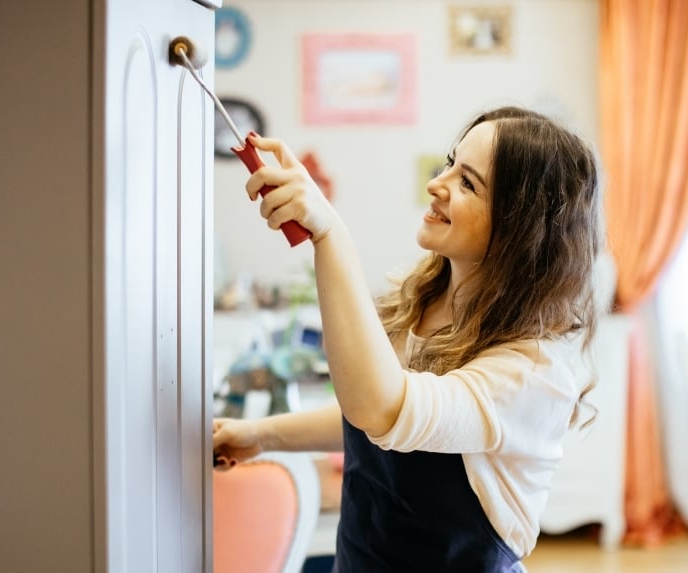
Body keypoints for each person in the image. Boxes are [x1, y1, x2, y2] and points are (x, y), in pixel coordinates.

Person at [212, 106, 602, 572]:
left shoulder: (534, 371)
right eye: (450, 164)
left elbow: (386, 409)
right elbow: (364, 418)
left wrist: (330, 235)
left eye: (468, 183)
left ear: (521, 229)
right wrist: (260, 434)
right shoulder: (417, 299)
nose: (438, 184)